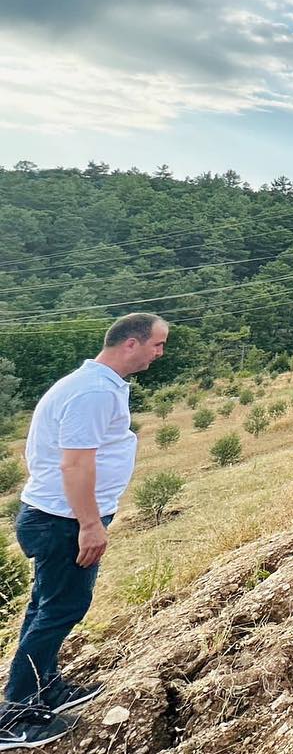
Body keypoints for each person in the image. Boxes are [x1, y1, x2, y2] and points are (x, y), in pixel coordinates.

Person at [2, 313, 168, 748]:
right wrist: (90, 524)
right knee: (61, 608)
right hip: (65, 520)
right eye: (157, 344)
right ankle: (14, 714)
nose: (160, 353)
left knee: (48, 605)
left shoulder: (94, 385)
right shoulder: (93, 392)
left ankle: (45, 688)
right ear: (131, 344)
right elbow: (75, 462)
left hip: (59, 515)